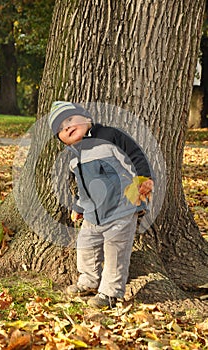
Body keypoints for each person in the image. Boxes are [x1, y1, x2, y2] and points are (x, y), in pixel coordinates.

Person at [49, 101, 154, 308]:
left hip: (121, 207)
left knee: (116, 249)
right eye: (61, 128)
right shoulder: (73, 157)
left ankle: (110, 293)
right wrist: (79, 207)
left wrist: (143, 179)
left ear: (87, 119)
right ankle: (88, 280)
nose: (67, 127)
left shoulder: (108, 136)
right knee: (86, 245)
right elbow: (83, 185)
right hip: (92, 213)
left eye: (70, 119)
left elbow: (135, 154)